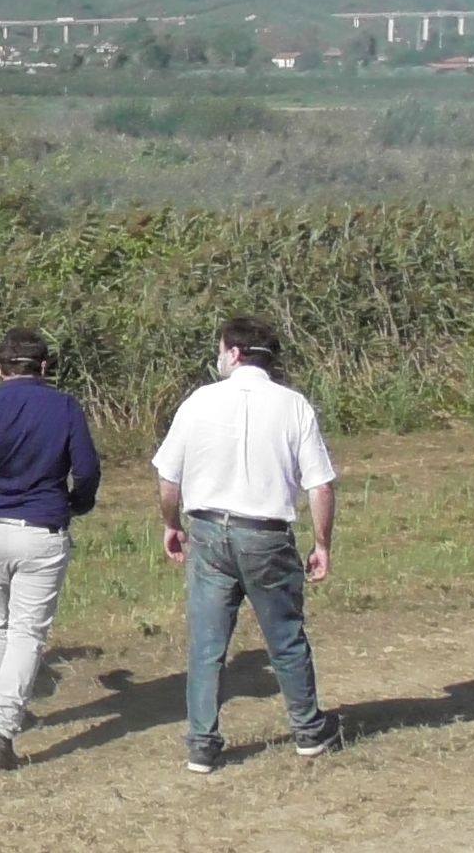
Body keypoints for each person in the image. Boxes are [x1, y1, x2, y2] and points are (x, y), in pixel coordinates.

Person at [152, 316, 342, 774]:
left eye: (221, 348)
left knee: (207, 643)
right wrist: (322, 543)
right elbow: (320, 485)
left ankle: (201, 743)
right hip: (266, 534)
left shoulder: (199, 401)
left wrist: (171, 524)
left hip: (209, 531)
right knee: (286, 637)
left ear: (234, 353)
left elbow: (168, 476)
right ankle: (308, 732)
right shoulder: (293, 405)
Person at [0, 328, 100, 770]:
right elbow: (86, 470)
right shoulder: (65, 408)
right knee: (28, 631)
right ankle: (4, 727)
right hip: (42, 529)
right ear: (45, 367)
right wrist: (76, 504)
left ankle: (11, 706)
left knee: (1, 621)